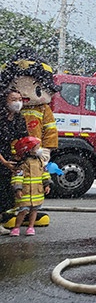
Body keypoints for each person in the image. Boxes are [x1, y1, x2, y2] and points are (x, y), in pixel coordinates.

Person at [0, 89, 29, 235]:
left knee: (5, 191)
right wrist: (4, 162)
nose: (17, 102)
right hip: (2, 157)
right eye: (13, 99)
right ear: (5, 101)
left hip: (8, 158)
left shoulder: (19, 119)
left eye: (20, 99)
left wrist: (21, 158)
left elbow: (23, 139)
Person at [9, 136, 51, 236]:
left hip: (37, 191)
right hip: (26, 191)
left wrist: (47, 184)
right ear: (29, 149)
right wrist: (18, 189)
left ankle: (31, 227)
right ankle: (16, 227)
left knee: (34, 210)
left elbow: (44, 173)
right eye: (37, 147)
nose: (39, 149)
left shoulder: (40, 161)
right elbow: (18, 177)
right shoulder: (23, 163)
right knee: (23, 210)